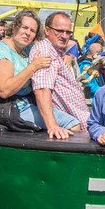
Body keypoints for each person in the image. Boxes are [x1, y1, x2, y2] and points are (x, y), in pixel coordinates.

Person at [0, 9, 74, 131]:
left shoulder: (26, 50)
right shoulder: (1, 51)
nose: (28, 33)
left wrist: (67, 56)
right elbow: (4, 90)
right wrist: (32, 67)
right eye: (24, 28)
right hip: (5, 109)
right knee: (71, 123)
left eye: (32, 30)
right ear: (14, 28)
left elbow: (52, 49)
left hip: (23, 105)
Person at [28, 11, 90, 139]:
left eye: (68, 32)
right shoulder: (45, 51)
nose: (64, 36)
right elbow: (42, 89)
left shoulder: (56, 51)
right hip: (74, 130)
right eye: (59, 31)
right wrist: (52, 126)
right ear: (47, 30)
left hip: (80, 122)